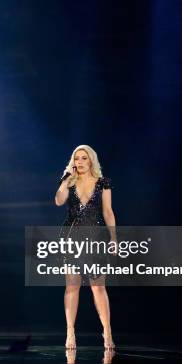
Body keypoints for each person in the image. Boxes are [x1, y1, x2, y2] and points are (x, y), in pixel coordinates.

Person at [55, 144, 116, 350]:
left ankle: (107, 332)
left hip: (96, 237)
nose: (79, 162)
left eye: (84, 158)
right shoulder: (68, 182)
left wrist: (114, 238)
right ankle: (70, 332)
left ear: (91, 161)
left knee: (98, 287)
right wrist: (65, 180)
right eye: (76, 158)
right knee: (72, 286)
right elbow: (58, 201)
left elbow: (108, 212)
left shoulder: (103, 182)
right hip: (72, 238)